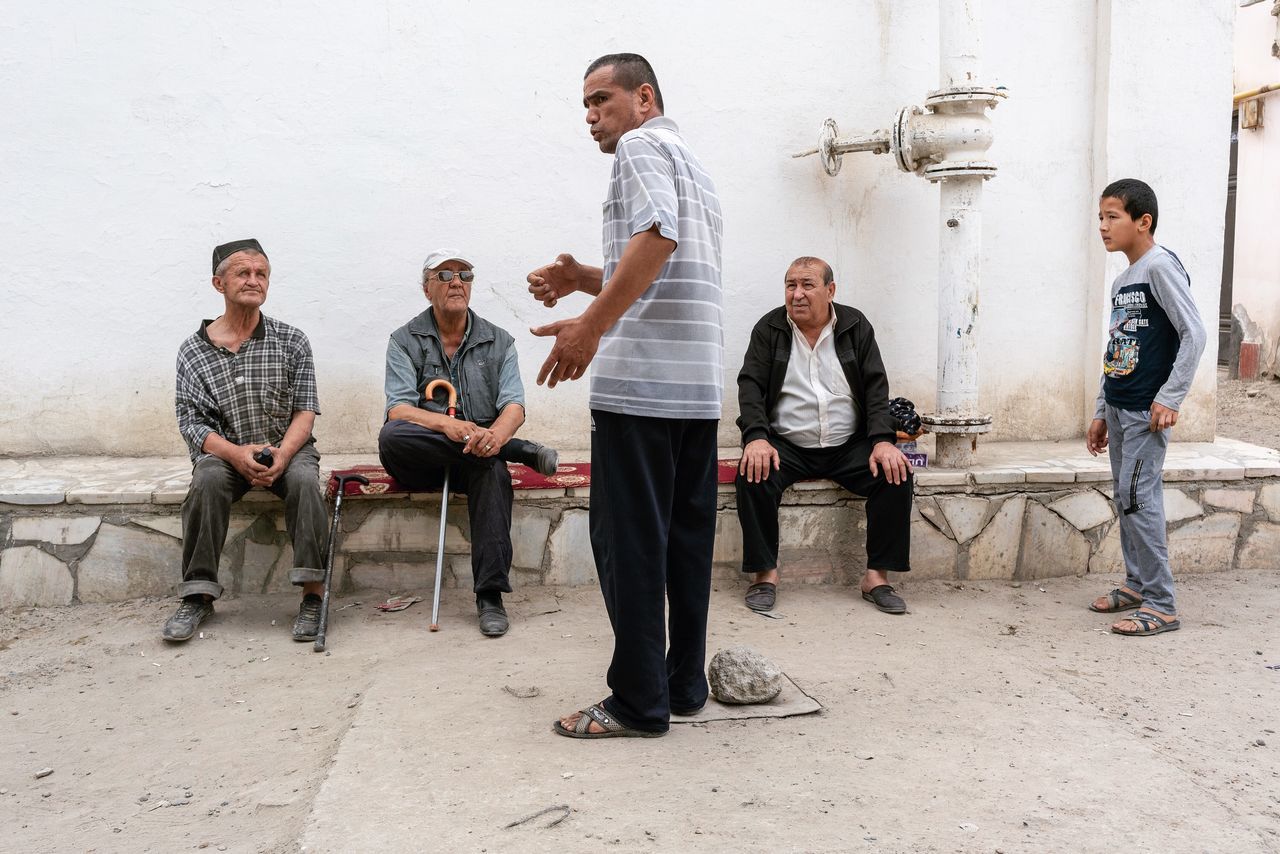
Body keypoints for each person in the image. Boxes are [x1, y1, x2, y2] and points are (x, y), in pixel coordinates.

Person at [527, 53, 723, 738]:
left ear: (644, 97)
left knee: (630, 544)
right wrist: (586, 277)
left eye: (601, 99)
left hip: (640, 390)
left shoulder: (639, 146)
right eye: (584, 105)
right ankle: (682, 684)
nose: (590, 116)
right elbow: (666, 257)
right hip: (695, 391)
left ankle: (639, 703)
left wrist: (589, 326)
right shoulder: (692, 162)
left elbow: (658, 238)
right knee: (684, 544)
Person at [378, 249, 558, 637]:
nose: (457, 282)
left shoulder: (499, 341)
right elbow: (399, 410)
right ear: (427, 288)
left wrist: (494, 437)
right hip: (421, 455)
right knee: (392, 436)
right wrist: (445, 426)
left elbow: (513, 404)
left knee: (492, 469)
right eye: (444, 275)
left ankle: (490, 595)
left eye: (465, 275)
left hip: (474, 459)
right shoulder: (404, 339)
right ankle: (519, 451)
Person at [166, 239, 328, 642]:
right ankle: (198, 595)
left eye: (262, 274)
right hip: (226, 453)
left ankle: (313, 595)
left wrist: (285, 454)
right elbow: (193, 424)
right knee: (206, 482)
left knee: (307, 483)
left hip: (287, 448)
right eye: (243, 273)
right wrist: (236, 454)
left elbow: (304, 411)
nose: (254, 281)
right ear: (218, 283)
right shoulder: (193, 351)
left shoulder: (292, 340)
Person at [735, 256, 913, 615]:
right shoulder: (769, 329)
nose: (797, 294)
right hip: (788, 444)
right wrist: (756, 437)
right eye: (790, 286)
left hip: (849, 444)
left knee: (897, 473)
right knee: (752, 474)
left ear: (830, 291)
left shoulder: (855, 326)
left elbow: (875, 386)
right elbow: (751, 386)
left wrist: (882, 440)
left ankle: (876, 577)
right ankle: (764, 575)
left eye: (807, 285)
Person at [1087, 179, 1206, 636]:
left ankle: (1162, 604)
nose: (1103, 226)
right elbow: (1117, 349)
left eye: (1112, 216)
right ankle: (1137, 586)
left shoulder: (1160, 267)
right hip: (1119, 407)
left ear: (1143, 221)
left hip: (1145, 412)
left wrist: (1170, 398)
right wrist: (1101, 410)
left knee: (1140, 500)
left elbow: (1195, 333)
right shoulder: (1123, 280)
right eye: (1101, 217)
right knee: (1127, 498)